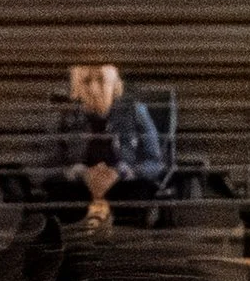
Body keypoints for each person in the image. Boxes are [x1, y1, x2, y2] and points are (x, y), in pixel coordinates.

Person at [41, 63, 166, 227]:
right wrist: (80, 173)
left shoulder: (136, 112)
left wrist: (121, 172)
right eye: (86, 82)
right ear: (76, 88)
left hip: (124, 188)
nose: (93, 89)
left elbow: (156, 164)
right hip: (79, 189)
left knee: (141, 194)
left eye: (101, 81)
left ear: (116, 86)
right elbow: (46, 168)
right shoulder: (64, 116)